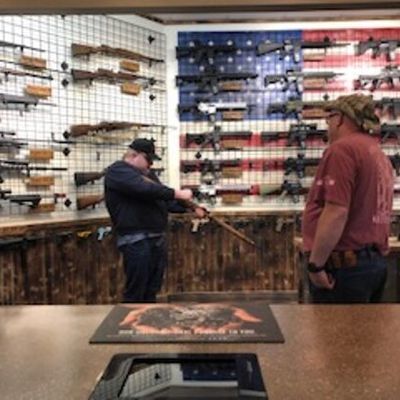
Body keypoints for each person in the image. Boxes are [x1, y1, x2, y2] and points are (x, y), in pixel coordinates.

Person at [302, 94, 394, 303]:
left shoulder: (342, 150)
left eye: (329, 118)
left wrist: (316, 265)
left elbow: (336, 211)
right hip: (371, 264)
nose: (327, 126)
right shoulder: (376, 152)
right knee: (364, 326)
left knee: (333, 326)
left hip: (344, 269)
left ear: (340, 118)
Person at [105, 138, 206, 303]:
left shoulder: (147, 175)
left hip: (156, 238)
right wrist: (178, 193)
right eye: (148, 160)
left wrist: (191, 208)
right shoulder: (118, 171)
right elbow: (144, 189)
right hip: (136, 239)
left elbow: (162, 200)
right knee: (136, 291)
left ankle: (147, 318)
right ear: (134, 155)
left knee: (152, 288)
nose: (151, 165)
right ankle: (132, 319)